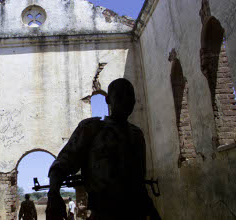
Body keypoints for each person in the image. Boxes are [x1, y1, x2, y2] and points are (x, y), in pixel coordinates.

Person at [46, 78, 160, 220]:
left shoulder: (137, 135)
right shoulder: (91, 129)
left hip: (137, 214)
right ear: (108, 100)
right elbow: (61, 165)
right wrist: (53, 194)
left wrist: (152, 210)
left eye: (130, 96)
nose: (125, 100)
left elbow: (138, 182)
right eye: (119, 96)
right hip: (103, 214)